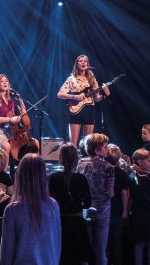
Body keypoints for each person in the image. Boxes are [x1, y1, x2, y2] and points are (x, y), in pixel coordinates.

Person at [1, 154, 61, 265]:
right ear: (43, 177)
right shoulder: (53, 205)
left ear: (20, 176)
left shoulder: (13, 210)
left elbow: (6, 253)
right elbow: (57, 245)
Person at [48, 143, 93, 265]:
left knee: (62, 257)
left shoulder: (54, 177)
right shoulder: (81, 178)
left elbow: (48, 199)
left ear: (60, 158)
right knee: (79, 258)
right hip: (77, 224)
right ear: (76, 159)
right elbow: (88, 203)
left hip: (60, 223)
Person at [56, 55, 109, 148]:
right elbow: (59, 94)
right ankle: (73, 161)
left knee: (88, 142)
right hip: (75, 110)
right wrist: (74, 96)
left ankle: (87, 161)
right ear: (77, 64)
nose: (83, 62)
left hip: (89, 109)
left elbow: (97, 98)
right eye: (81, 61)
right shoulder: (71, 79)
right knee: (73, 143)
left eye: (85, 61)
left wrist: (105, 94)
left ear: (87, 64)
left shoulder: (92, 78)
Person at [80, 133, 116, 265]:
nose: (108, 149)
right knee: (100, 248)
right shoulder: (108, 167)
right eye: (106, 147)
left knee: (86, 247)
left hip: (85, 209)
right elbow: (111, 193)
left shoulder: (80, 164)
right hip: (103, 210)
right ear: (97, 150)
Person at [128, 149, 150, 265]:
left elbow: (129, 197)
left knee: (139, 242)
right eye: (149, 161)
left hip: (137, 212)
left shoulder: (130, 176)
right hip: (149, 212)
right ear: (140, 162)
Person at [0, 74, 24, 159]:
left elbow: (23, 112)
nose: (5, 83)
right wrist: (10, 119)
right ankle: (2, 171)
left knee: (31, 144)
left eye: (6, 81)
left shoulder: (11, 100)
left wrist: (19, 99)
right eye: (1, 81)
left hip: (10, 131)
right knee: (6, 146)